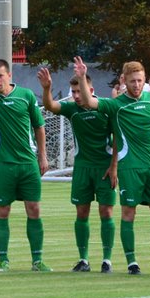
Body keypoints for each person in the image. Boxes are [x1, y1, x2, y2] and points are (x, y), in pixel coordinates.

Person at [74, 56, 150, 275]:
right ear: (124, 80)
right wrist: (83, 76)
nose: (137, 84)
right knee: (128, 215)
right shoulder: (116, 105)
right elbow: (89, 102)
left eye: (140, 80)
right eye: (133, 81)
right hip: (129, 167)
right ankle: (132, 263)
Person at [0, 21, 50, 272]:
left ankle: (37, 260)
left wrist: (43, 156)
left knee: (33, 209)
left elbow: (39, 127)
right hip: (3, 165)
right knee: (2, 210)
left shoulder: (25, 96)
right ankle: (3, 259)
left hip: (28, 164)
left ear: (9, 75)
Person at [38, 67, 117, 273]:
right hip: (82, 167)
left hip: (104, 167)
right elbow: (50, 105)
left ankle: (107, 260)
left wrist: (114, 166)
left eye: (78, 91)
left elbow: (117, 138)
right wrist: (47, 88)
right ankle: (83, 259)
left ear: (90, 89)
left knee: (106, 211)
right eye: (72, 92)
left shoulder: (105, 107)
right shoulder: (72, 109)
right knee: (81, 212)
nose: (75, 96)